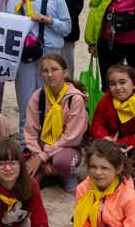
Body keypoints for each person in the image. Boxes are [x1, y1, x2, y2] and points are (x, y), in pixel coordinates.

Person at [6, 0, 71, 123]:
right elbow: (7, 29)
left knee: (50, 100)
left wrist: (48, 20)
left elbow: (67, 28)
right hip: (24, 55)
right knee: (26, 101)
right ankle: (26, 144)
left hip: (49, 53)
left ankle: (49, 140)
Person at [89, 63, 135, 188]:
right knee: (97, 149)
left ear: (133, 84)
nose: (118, 88)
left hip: (134, 147)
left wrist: (119, 143)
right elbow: (96, 125)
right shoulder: (106, 102)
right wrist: (105, 138)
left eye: (122, 82)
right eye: (112, 84)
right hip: (111, 144)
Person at [21, 53, 87, 190]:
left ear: (65, 73)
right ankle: (48, 172)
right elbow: (30, 132)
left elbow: (72, 137)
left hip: (67, 148)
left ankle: (66, 175)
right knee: (28, 183)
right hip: (42, 146)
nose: (50, 74)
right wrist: (41, 160)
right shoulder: (38, 96)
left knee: (62, 162)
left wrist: (42, 157)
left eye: (55, 69)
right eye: (45, 71)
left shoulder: (75, 99)